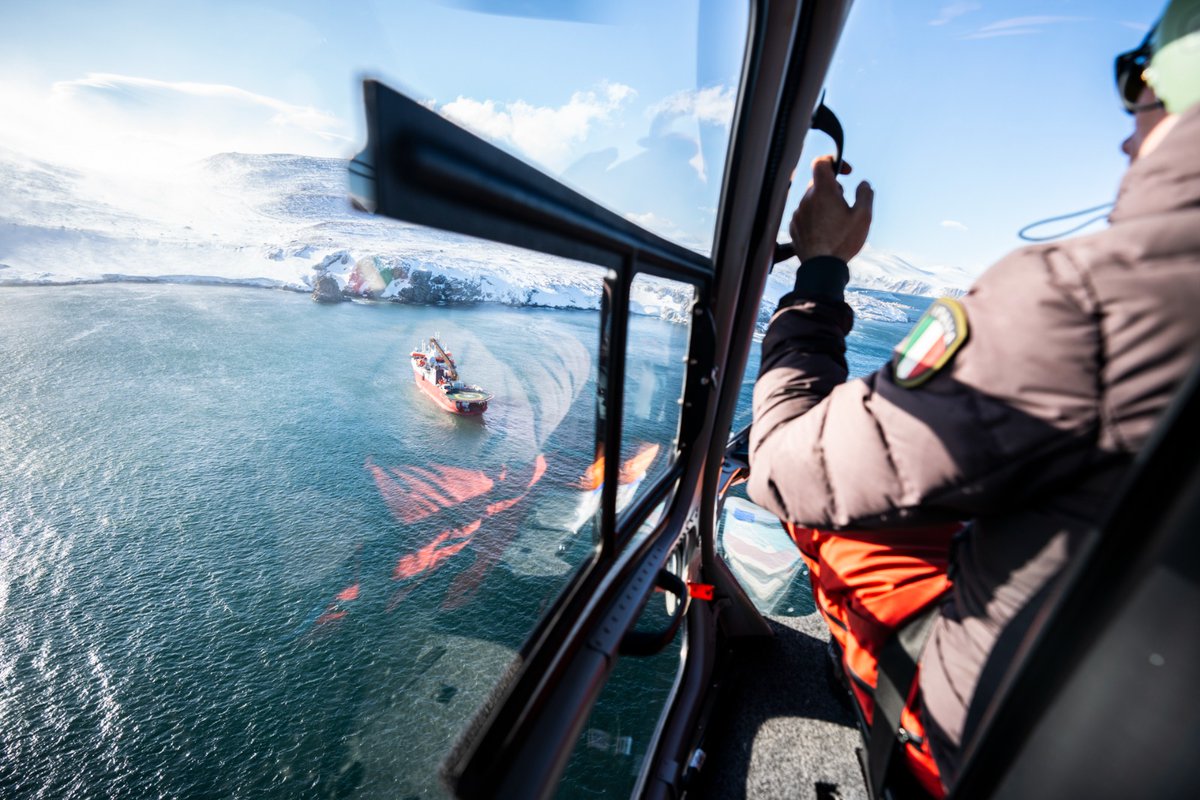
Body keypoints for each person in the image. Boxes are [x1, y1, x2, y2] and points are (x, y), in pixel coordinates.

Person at [748, 0, 1200, 792]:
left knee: (824, 523)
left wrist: (818, 269)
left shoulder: (1089, 299)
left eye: (1138, 85)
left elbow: (788, 463)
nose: (1126, 135)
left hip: (995, 740)